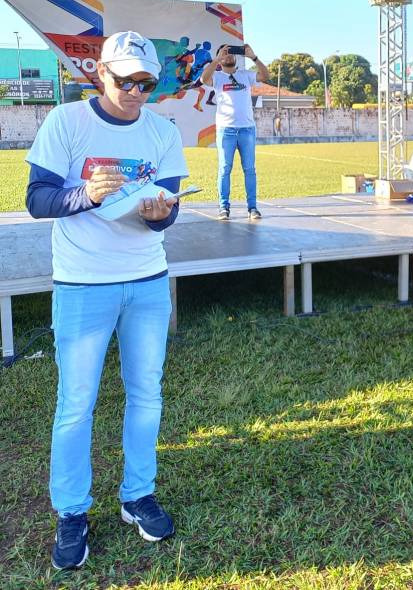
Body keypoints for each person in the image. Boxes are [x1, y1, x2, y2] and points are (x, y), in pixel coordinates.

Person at [25, 31, 188, 570]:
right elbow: (37, 200)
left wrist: (161, 214)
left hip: (147, 280)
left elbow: (171, 208)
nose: (138, 92)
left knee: (148, 394)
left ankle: (137, 495)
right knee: (76, 405)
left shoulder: (164, 129)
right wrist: (86, 195)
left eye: (147, 83)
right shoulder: (66, 122)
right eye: (127, 81)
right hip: (82, 284)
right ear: (100, 74)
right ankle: (72, 511)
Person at [200, 43, 269, 220]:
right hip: (226, 130)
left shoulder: (246, 75)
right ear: (220, 57)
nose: (229, 55)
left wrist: (253, 57)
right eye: (225, 52)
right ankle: (224, 207)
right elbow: (203, 79)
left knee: (249, 169)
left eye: (231, 52)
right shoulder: (217, 76)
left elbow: (266, 75)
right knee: (224, 169)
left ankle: (252, 208)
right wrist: (216, 60)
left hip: (247, 130)